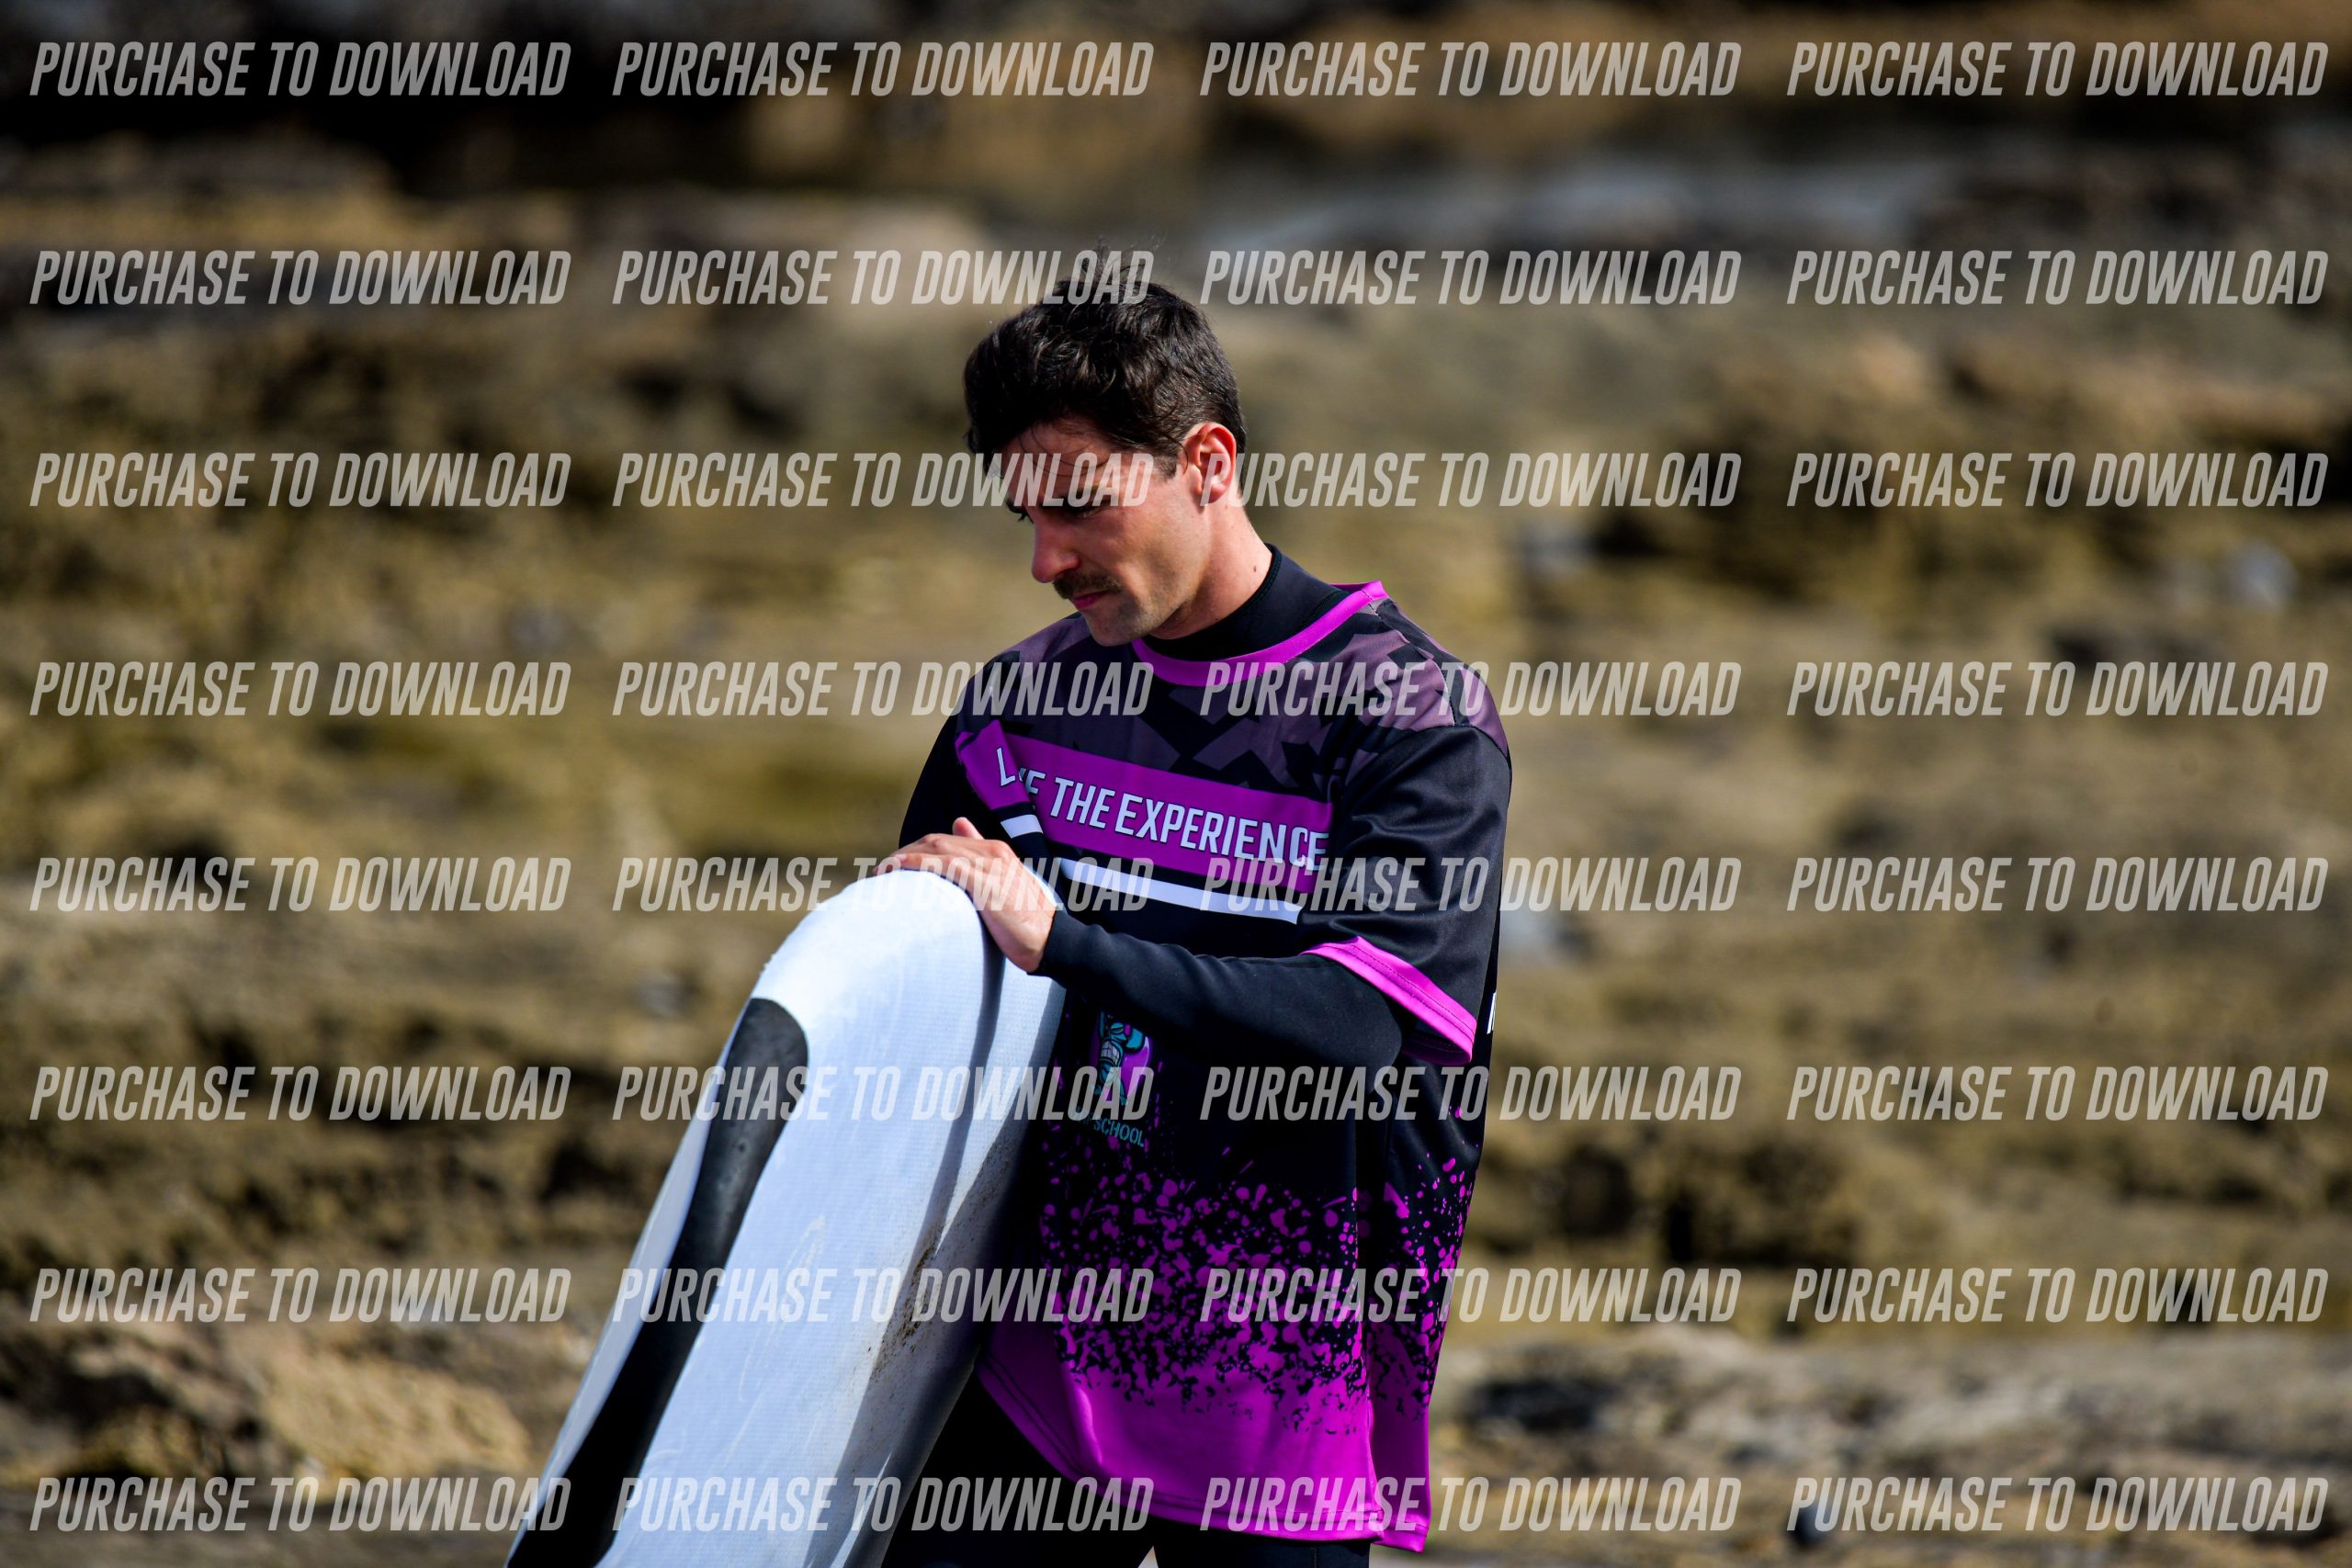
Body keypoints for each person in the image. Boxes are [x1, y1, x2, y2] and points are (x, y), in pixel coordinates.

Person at [876, 273, 1510, 1567]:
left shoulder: (1408, 719)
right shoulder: (1021, 712)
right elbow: (914, 1006)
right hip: (1032, 1379)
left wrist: (1069, 944)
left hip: (1281, 1405)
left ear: (1208, 465)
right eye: (1025, 517)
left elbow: (1359, 1027)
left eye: (1078, 505)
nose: (1045, 560)